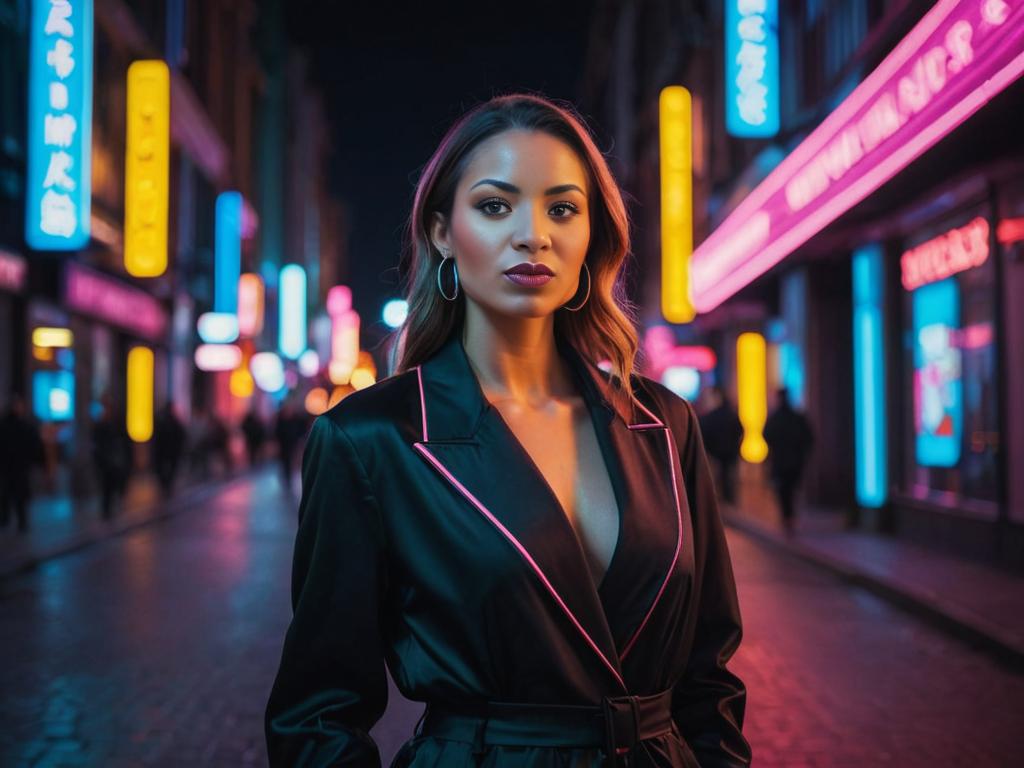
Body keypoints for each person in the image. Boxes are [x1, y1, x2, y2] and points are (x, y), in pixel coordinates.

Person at [265, 94, 750, 768]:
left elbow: (710, 672)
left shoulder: (663, 424)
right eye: (496, 206)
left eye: (562, 208)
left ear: (593, 234)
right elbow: (316, 715)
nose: (533, 234)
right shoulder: (372, 439)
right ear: (441, 231)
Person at [763, 388, 815, 534]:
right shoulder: (797, 417)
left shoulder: (775, 418)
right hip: (795, 462)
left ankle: (787, 517)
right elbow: (808, 438)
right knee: (791, 489)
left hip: (780, 462)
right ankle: (790, 517)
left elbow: (767, 436)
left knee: (783, 491)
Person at [0, 395, 44, 533]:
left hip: (15, 467)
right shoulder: (13, 425)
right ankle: (11, 520)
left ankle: (15, 521)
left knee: (16, 495)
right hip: (12, 466)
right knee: (10, 494)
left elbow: (34, 445)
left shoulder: (21, 425)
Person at [698, 386, 743, 506]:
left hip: (716, 453)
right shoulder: (732, 414)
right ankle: (729, 502)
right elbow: (740, 431)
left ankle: (721, 503)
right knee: (729, 478)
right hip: (730, 452)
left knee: (719, 478)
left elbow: (705, 434)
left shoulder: (711, 416)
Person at [91, 397, 132, 520]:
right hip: (106, 463)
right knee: (106, 487)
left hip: (114, 462)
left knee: (113, 486)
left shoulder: (116, 424)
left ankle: (110, 509)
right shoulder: (101, 426)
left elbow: (124, 443)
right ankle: (106, 511)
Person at [152, 403, 186, 495]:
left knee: (166, 469)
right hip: (168, 451)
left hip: (166, 451)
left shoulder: (164, 422)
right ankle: (166, 485)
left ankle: (166, 485)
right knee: (168, 469)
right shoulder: (171, 422)